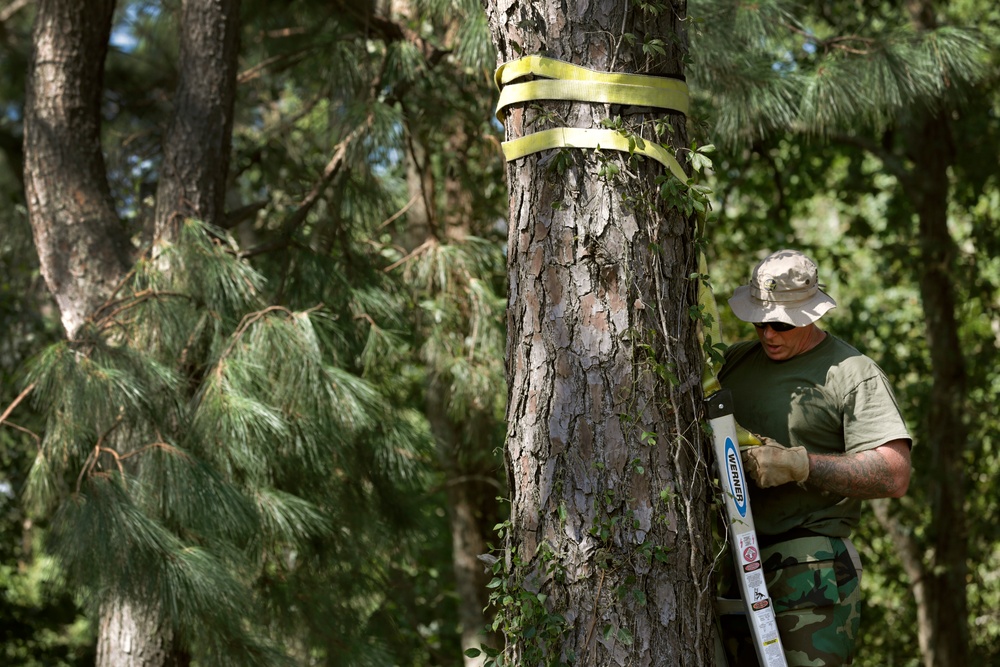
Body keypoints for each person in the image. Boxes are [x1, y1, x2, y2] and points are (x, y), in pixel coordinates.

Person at [717, 249, 912, 667]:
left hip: (810, 566)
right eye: (759, 322)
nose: (768, 334)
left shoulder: (851, 372)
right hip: (735, 561)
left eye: (781, 324)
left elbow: (894, 473)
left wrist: (800, 466)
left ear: (809, 315)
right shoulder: (735, 361)